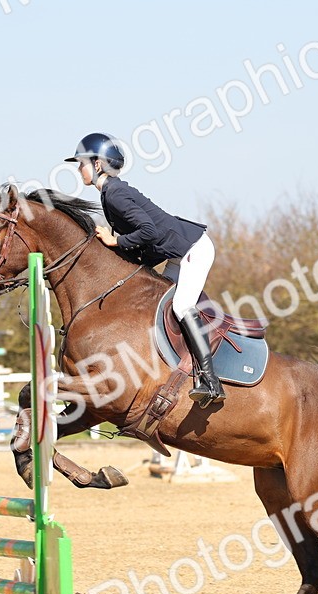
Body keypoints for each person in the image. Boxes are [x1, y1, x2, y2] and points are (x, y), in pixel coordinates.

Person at [65, 132, 225, 408]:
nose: (79, 169)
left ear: (98, 164)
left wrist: (116, 241)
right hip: (175, 251)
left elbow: (148, 231)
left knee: (181, 307)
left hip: (192, 249)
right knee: (157, 306)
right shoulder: (109, 193)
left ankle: (211, 381)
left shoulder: (114, 194)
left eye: (82, 163)